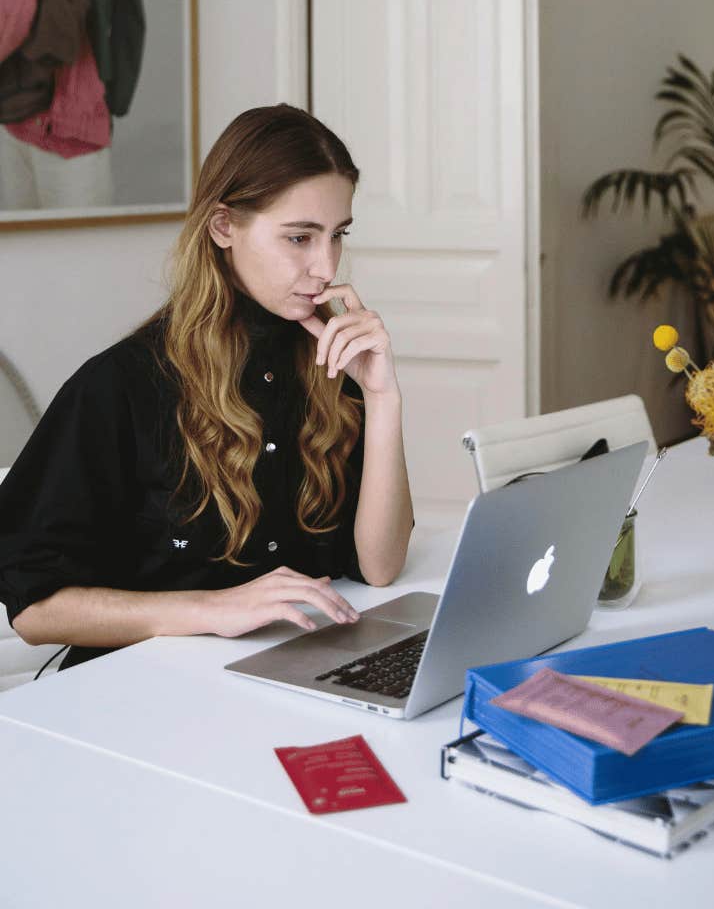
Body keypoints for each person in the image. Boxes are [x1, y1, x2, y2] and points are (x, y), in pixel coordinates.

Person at [0, 104, 414, 669]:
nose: (325, 267)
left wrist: (383, 398)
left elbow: (380, 566)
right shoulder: (121, 384)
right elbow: (35, 609)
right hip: (139, 694)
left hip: (285, 670)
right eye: (299, 238)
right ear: (224, 226)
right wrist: (211, 609)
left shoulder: (328, 364)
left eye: (337, 236)